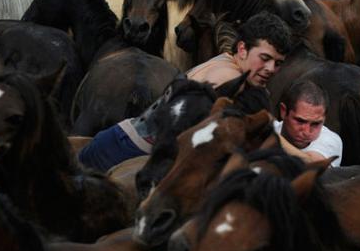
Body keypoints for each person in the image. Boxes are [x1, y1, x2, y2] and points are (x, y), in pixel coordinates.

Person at [78, 12, 293, 171]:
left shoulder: (225, 62)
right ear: (242, 49)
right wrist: (303, 156)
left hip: (120, 141)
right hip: (125, 152)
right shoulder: (230, 78)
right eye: (265, 59)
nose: (271, 69)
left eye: (278, 63)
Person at [274, 80, 343, 167]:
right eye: (300, 121)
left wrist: (271, 138)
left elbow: (312, 166)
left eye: (316, 124)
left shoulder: (330, 140)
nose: (306, 132)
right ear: (283, 111)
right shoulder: (272, 128)